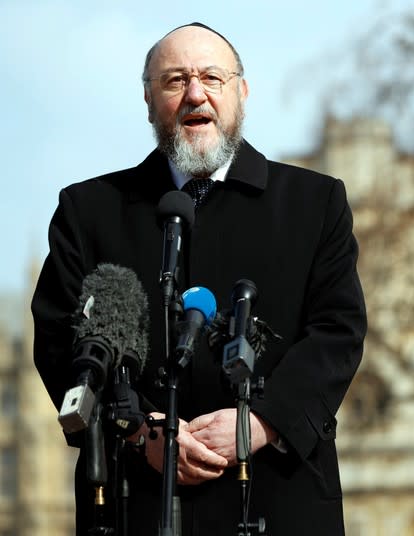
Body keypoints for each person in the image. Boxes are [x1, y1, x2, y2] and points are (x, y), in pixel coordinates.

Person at [31, 23, 367, 535]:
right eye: (174, 81)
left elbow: (338, 333)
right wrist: (141, 432)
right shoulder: (88, 212)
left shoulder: (314, 203)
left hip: (279, 498)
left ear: (242, 93)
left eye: (212, 76)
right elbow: (60, 342)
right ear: (148, 100)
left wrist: (261, 421)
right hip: (134, 503)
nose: (195, 93)